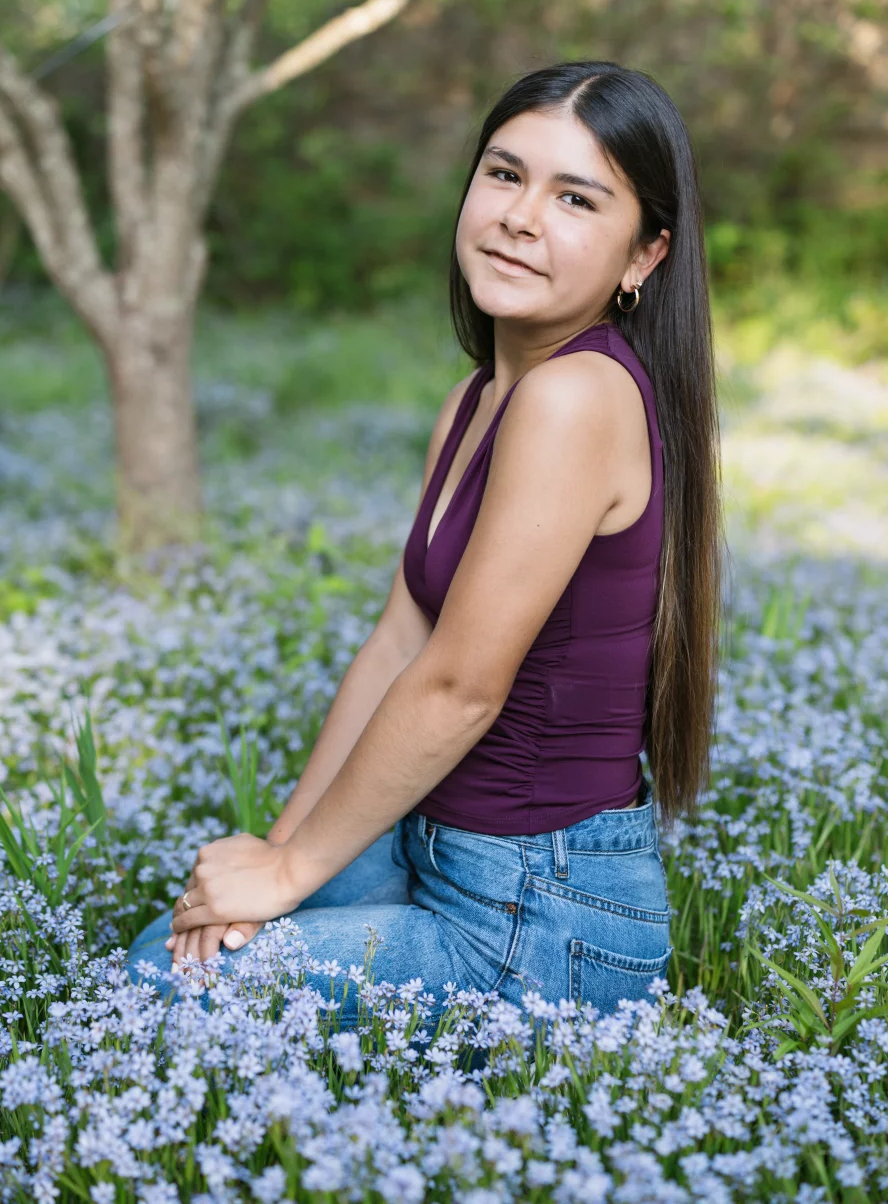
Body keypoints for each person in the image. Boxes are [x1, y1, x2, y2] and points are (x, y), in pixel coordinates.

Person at [126, 59, 722, 1024]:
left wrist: (288, 876)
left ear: (643, 257)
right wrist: (276, 860)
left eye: (576, 197)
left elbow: (459, 684)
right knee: (184, 944)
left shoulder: (579, 397)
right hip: (431, 840)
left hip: (539, 917)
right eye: (503, 173)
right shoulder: (478, 399)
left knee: (163, 985)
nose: (521, 216)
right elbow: (399, 645)